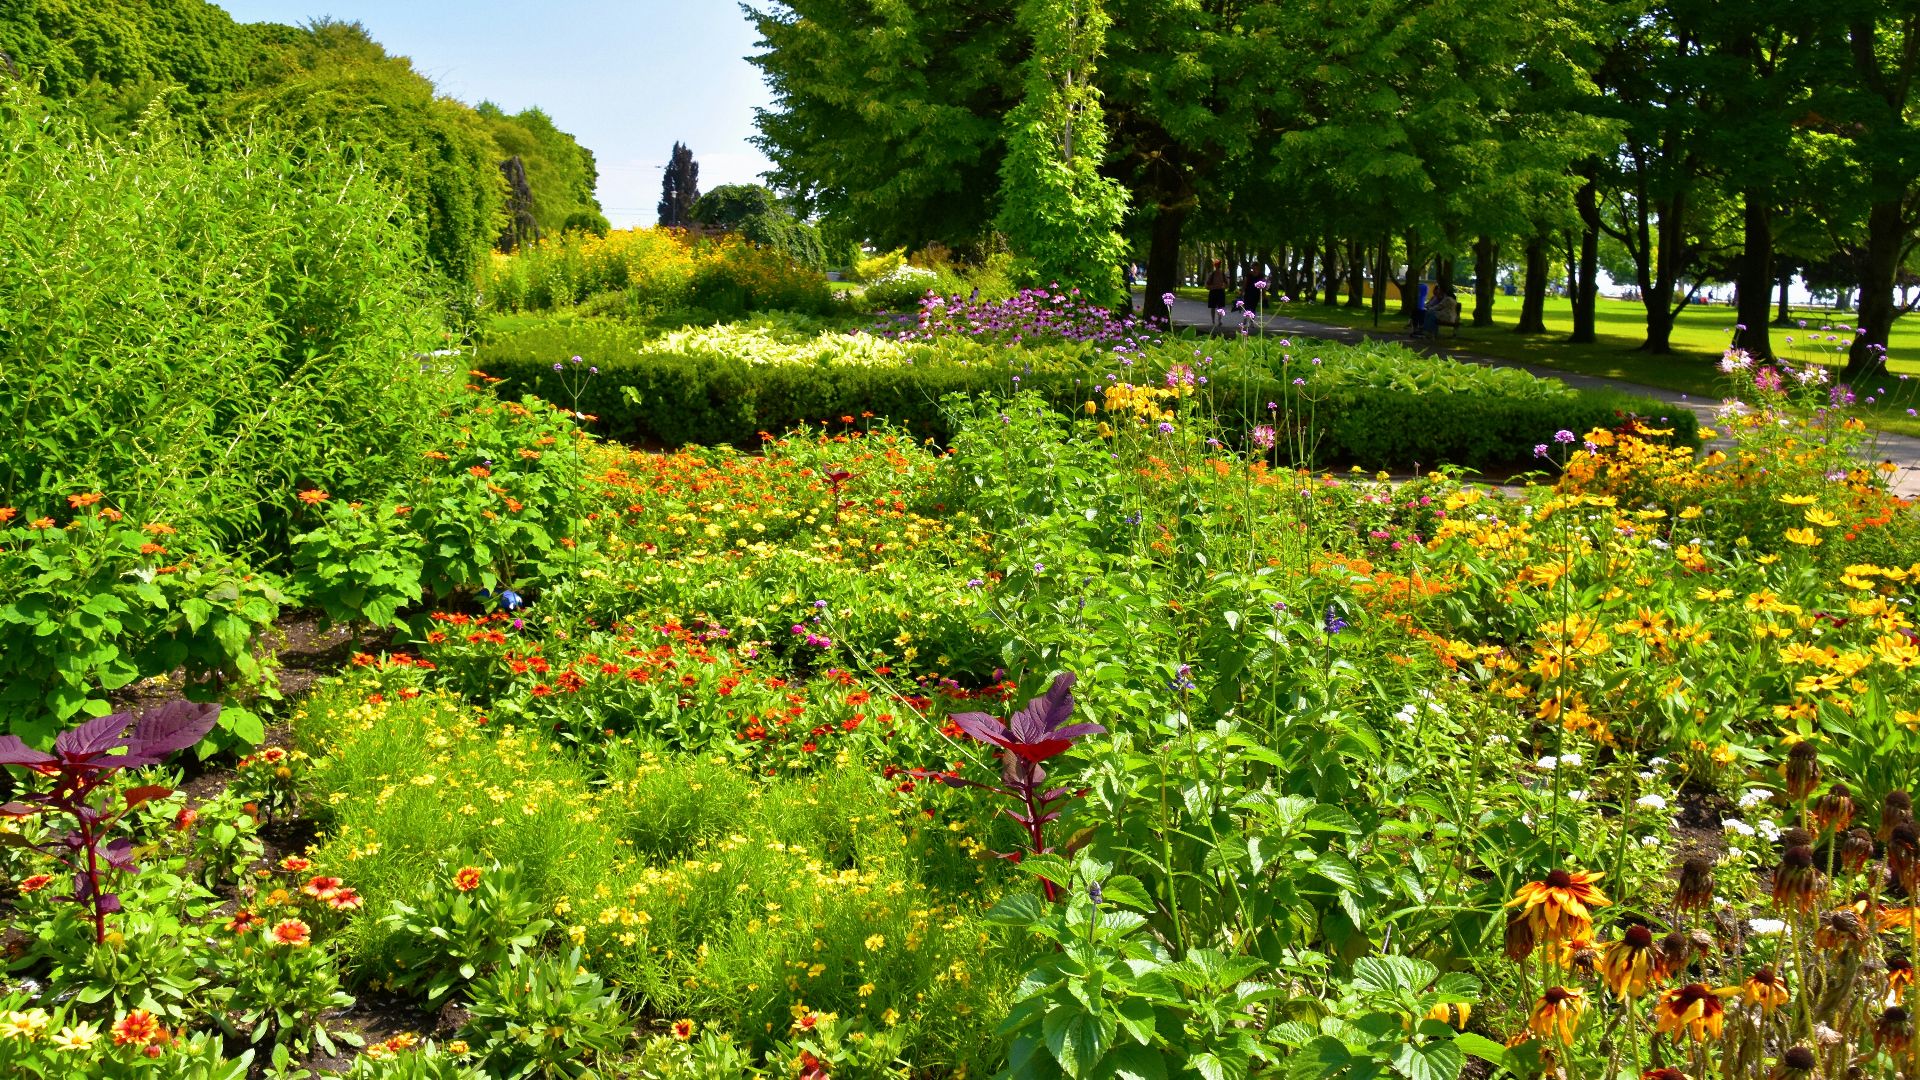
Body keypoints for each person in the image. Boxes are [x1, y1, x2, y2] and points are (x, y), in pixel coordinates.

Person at [1204, 259, 1230, 330]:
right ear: (1215, 265)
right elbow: (1207, 284)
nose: (1217, 266)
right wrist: (1212, 287)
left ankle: (1219, 320)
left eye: (1218, 264)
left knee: (1220, 307)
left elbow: (1227, 284)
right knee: (1213, 307)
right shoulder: (1212, 274)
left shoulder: (1222, 274)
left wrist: (1223, 286)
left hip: (1220, 291)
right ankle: (1213, 321)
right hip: (1213, 291)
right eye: (1216, 264)